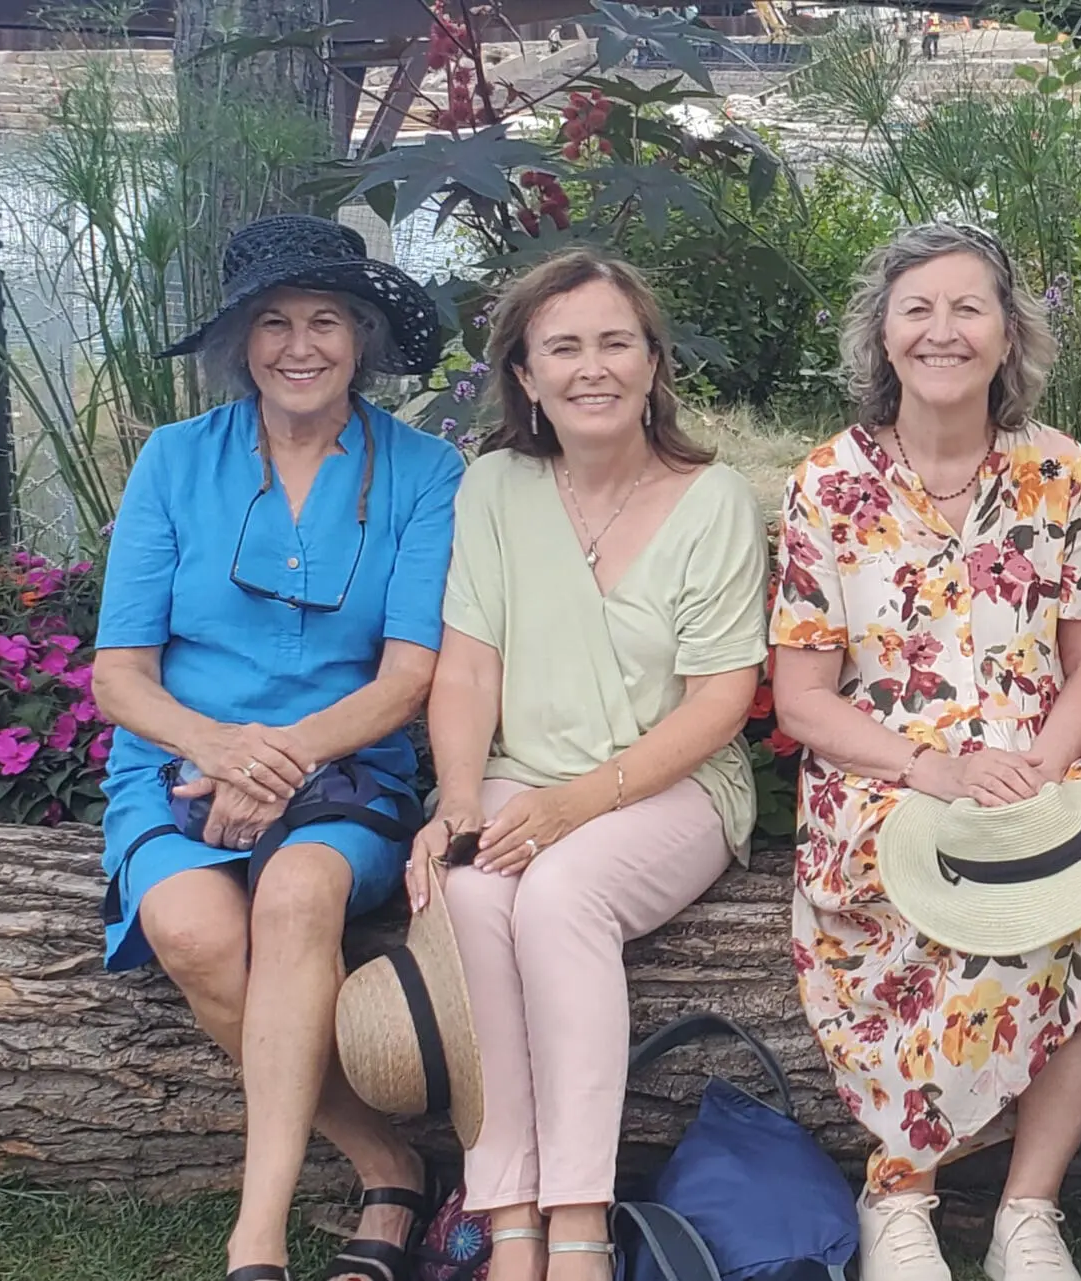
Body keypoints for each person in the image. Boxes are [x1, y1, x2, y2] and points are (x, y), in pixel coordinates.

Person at [770, 222, 1081, 1281]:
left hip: (1037, 756)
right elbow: (802, 700)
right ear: (882, 338)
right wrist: (932, 770)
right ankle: (901, 1192)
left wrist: (1036, 765)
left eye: (967, 307)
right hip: (886, 770)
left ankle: (1027, 1210)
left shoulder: (1056, 471)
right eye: (917, 309)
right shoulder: (826, 484)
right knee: (938, 887)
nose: (942, 330)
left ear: (1007, 333)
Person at [94, 214, 465, 1281]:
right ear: (239, 344)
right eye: (272, 324)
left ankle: (252, 1240)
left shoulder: (426, 471)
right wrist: (219, 752)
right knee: (197, 934)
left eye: (324, 322)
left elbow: (408, 676)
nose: (298, 346)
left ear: (362, 340)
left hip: (347, 761)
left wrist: (283, 760)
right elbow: (118, 674)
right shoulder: (172, 461)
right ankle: (386, 1160)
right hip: (178, 759)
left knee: (297, 896)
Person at [403, 249, 770, 1281]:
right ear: (523, 375)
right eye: (562, 347)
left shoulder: (714, 500)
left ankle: (575, 1220)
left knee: (559, 896)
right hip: (520, 772)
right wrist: (460, 802)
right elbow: (469, 669)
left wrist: (577, 805)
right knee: (469, 898)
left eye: (616, 342)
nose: (592, 367)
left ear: (654, 364)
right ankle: (503, 1207)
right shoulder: (495, 489)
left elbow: (718, 702)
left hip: (669, 785)